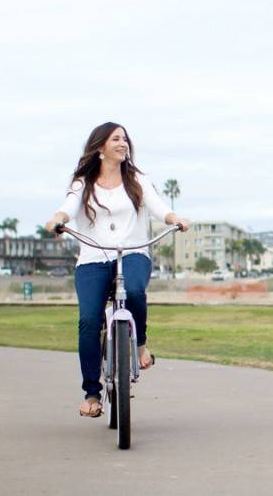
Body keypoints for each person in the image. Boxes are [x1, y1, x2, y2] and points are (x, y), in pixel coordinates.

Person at [45, 122, 189, 418]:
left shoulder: (136, 179)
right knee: (88, 320)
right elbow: (68, 207)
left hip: (133, 252)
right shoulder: (82, 183)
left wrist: (175, 218)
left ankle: (140, 345)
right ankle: (92, 393)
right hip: (93, 258)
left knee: (135, 291)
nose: (123, 144)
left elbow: (158, 206)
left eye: (125, 139)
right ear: (100, 147)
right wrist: (57, 219)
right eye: (116, 139)